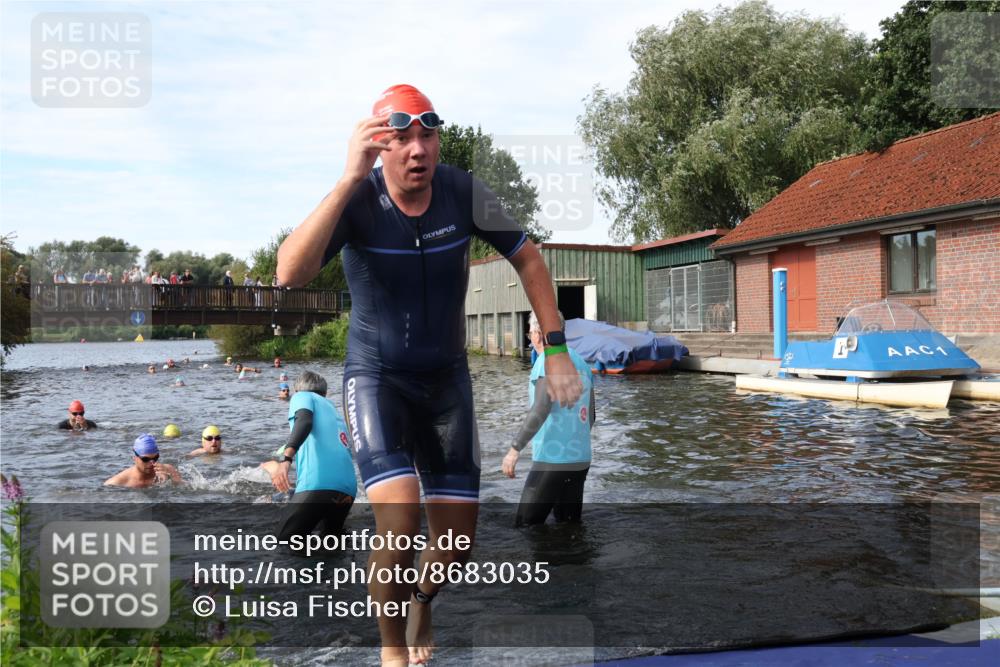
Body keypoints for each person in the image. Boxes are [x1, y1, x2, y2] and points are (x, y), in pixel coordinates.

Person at [276, 84, 582, 667]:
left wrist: (558, 346)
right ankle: (391, 650)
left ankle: (422, 598)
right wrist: (346, 180)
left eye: (428, 135)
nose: (417, 149)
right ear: (379, 146)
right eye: (402, 137)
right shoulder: (359, 200)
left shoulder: (464, 191)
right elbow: (289, 273)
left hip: (446, 384)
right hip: (377, 379)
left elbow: (529, 257)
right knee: (398, 524)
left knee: (457, 544)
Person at [503, 311, 595, 526]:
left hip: (552, 460)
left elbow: (541, 408)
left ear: (538, 334)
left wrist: (514, 450)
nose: (531, 338)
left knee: (525, 525)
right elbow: (591, 415)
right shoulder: (581, 362)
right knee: (568, 526)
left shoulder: (547, 361)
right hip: (581, 459)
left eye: (531, 333)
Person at [260, 370, 357, 545]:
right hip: (348, 488)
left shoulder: (302, 397)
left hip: (319, 484)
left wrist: (286, 460)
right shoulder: (334, 411)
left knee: (283, 544)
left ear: (297, 390)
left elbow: (304, 421)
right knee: (332, 548)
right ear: (325, 393)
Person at [105, 434, 182, 488]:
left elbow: (185, 488)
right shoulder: (116, 483)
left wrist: (172, 479)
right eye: (145, 459)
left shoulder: (168, 470)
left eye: (155, 458)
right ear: (134, 458)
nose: (151, 463)